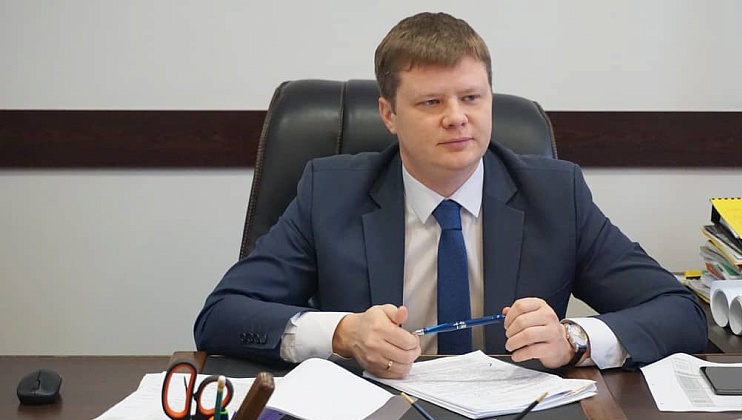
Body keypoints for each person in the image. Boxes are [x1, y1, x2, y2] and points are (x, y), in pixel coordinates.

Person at [194, 12, 707, 379]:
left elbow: (679, 311)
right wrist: (343, 334)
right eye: (431, 102)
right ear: (389, 114)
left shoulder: (556, 194)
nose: (457, 117)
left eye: (471, 97)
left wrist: (575, 340)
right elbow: (223, 315)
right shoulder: (331, 192)